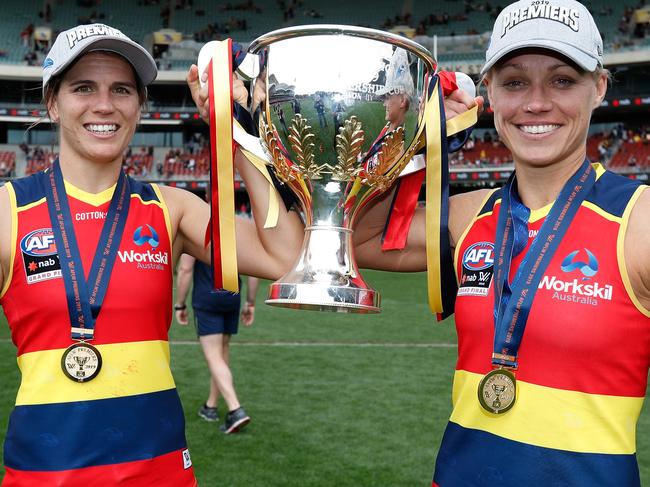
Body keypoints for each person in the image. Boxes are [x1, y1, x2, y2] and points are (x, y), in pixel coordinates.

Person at [348, 1, 650, 485]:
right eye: (513, 82)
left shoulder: (640, 221)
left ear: (599, 88)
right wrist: (415, 138)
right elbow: (359, 239)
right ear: (487, 92)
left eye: (562, 80)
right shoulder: (469, 215)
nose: (535, 103)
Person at [0, 23, 301, 485]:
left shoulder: (170, 209)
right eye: (84, 87)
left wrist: (234, 130)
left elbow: (285, 257)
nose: (104, 104)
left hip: (161, 473)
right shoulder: (10, 211)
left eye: (122, 89)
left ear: (139, 107)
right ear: (53, 103)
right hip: (45, 475)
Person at [174, 252, 259, 434]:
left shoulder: (195, 225)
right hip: (231, 296)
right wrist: (250, 302)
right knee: (221, 353)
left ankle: (235, 409)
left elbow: (186, 268)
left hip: (208, 297)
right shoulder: (237, 224)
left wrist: (179, 304)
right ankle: (210, 406)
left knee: (213, 355)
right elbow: (253, 269)